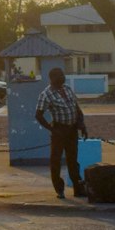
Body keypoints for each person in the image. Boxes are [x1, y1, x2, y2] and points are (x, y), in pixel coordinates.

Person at [34, 67, 87, 199]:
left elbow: (77, 108)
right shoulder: (46, 94)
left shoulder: (67, 89)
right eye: (59, 76)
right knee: (56, 161)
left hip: (72, 130)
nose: (62, 77)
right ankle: (59, 189)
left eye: (63, 75)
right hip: (59, 130)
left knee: (73, 160)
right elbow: (38, 115)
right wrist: (52, 129)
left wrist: (82, 125)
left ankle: (78, 188)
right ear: (52, 78)